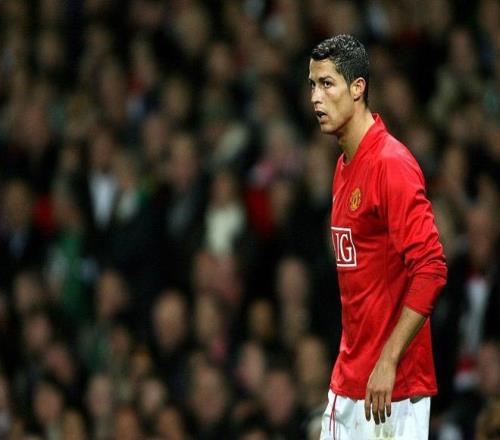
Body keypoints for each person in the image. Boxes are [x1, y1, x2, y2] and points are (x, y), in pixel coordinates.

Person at [308, 34, 447, 439]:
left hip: (392, 390)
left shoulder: (391, 164)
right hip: (349, 381)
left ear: (358, 88)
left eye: (327, 84)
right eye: (312, 85)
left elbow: (431, 268)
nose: (315, 98)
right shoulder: (344, 167)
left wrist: (388, 360)